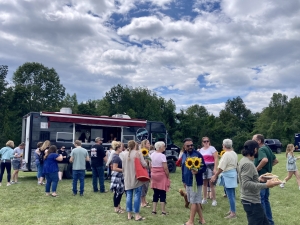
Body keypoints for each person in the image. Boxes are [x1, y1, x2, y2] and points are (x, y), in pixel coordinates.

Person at [238, 140, 281, 225]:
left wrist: (259, 178)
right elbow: (246, 184)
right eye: (257, 149)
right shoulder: (248, 164)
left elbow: (245, 179)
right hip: (251, 202)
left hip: (251, 201)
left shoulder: (244, 160)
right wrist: (266, 185)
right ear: (254, 150)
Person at [253, 134, 278, 225]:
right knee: (266, 200)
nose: (252, 141)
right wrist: (268, 168)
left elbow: (264, 160)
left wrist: (257, 169)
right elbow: (276, 160)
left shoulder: (261, 149)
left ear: (259, 141)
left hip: (261, 178)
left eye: (254, 140)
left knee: (261, 200)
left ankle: (264, 222)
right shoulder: (267, 148)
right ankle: (270, 222)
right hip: (268, 177)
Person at [210, 139, 238, 219]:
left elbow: (221, 167)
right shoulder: (234, 153)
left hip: (228, 175)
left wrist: (215, 175)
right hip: (232, 174)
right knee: (232, 194)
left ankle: (233, 213)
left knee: (230, 195)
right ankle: (232, 209)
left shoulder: (226, 154)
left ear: (224, 146)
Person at [182, 138, 207, 225]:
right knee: (195, 201)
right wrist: (183, 180)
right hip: (188, 181)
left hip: (196, 182)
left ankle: (191, 221)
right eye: (188, 146)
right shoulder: (184, 155)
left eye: (192, 145)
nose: (190, 147)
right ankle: (202, 219)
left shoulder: (197, 154)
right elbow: (183, 168)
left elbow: (204, 167)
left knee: (193, 201)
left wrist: (197, 171)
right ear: (184, 147)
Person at [122, 140, 147, 221]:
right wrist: (147, 162)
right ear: (135, 146)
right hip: (137, 177)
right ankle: (137, 215)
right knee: (137, 195)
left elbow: (123, 168)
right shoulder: (138, 153)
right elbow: (144, 164)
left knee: (128, 195)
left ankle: (129, 215)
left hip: (127, 178)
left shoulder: (124, 154)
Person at [150, 141, 170, 215]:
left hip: (154, 174)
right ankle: (163, 211)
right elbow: (165, 168)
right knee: (162, 193)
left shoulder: (151, 154)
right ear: (160, 147)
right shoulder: (162, 156)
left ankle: (154, 210)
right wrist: (168, 176)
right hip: (161, 175)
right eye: (164, 146)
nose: (164, 147)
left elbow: (150, 166)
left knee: (155, 193)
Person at [198, 136, 218, 206]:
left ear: (209, 142)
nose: (206, 142)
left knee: (211, 183)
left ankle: (214, 200)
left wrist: (215, 168)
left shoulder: (212, 148)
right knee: (204, 183)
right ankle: (204, 198)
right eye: (204, 141)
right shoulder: (200, 150)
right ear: (202, 143)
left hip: (210, 167)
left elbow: (216, 158)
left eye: (207, 141)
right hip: (203, 168)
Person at [110, 141, 125, 213]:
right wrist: (124, 170)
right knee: (117, 192)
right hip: (117, 176)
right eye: (121, 147)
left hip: (119, 176)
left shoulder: (117, 156)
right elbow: (114, 168)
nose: (122, 148)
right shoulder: (116, 157)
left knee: (120, 192)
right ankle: (116, 208)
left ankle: (118, 206)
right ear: (118, 148)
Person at [140, 139, 151, 208]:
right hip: (144, 170)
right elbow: (144, 162)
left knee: (146, 186)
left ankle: (144, 200)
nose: (149, 144)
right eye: (148, 143)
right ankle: (142, 202)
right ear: (144, 144)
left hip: (147, 170)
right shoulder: (143, 152)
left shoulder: (147, 151)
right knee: (143, 186)